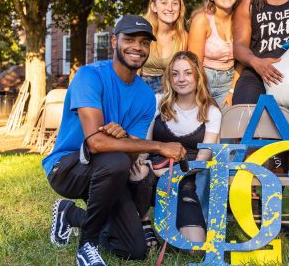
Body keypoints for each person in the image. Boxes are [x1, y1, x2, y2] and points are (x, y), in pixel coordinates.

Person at [42, 15, 187, 266]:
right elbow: (96, 144)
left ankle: (70, 214)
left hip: (111, 173)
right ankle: (87, 245)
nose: (137, 47)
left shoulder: (144, 95)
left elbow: (129, 155)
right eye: (129, 39)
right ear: (113, 41)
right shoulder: (90, 76)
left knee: (134, 249)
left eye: (143, 42)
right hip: (67, 168)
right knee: (114, 160)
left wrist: (123, 139)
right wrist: (160, 146)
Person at [132, 50, 221, 244]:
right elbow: (144, 147)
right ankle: (143, 220)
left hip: (184, 180)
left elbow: (201, 162)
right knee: (137, 172)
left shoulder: (211, 112)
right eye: (175, 74)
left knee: (194, 245)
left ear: (198, 76)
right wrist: (149, 168)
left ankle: (167, 229)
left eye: (188, 73)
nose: (181, 79)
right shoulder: (156, 103)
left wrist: (167, 173)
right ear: (169, 78)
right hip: (150, 176)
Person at [188, 0, 243, 109]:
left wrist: (232, 91)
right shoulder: (202, 20)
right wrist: (201, 91)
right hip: (204, 79)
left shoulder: (243, 19)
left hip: (230, 81)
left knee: (227, 125)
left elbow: (243, 60)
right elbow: (195, 63)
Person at [141, 0, 188, 94]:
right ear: (153, 7)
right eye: (164, 3)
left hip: (170, 90)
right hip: (142, 88)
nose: (170, 8)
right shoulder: (143, 32)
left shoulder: (183, 37)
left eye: (175, 3)